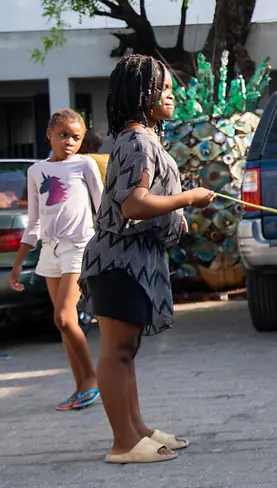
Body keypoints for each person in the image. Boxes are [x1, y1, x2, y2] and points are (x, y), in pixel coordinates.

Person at [79, 55, 215, 464]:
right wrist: (188, 198)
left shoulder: (142, 140)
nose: (171, 96)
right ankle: (123, 443)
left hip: (134, 259)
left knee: (127, 349)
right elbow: (134, 205)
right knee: (116, 351)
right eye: (164, 89)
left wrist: (174, 215)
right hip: (119, 260)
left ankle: (137, 429)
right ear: (141, 95)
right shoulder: (138, 142)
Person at [8, 109, 103, 411]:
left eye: (76, 137)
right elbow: (34, 221)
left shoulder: (84, 164)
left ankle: (92, 380)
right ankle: (79, 387)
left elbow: (102, 206)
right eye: (63, 135)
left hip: (79, 246)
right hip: (49, 251)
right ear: (49, 134)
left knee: (62, 318)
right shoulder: (36, 171)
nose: (69, 142)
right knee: (66, 323)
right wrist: (18, 262)